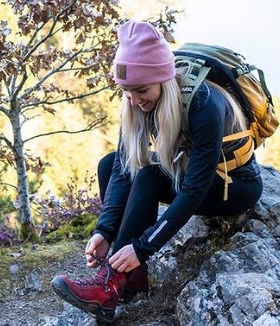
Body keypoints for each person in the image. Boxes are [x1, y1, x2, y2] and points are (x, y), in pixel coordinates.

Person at [51, 20, 263, 322]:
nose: (135, 101)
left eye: (141, 90)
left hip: (235, 185)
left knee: (149, 176)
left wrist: (142, 247)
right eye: (126, 92)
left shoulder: (204, 104)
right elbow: (124, 167)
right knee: (110, 163)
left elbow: (193, 190)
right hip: (192, 172)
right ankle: (132, 278)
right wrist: (105, 230)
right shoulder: (137, 102)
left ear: (163, 79)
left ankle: (109, 284)